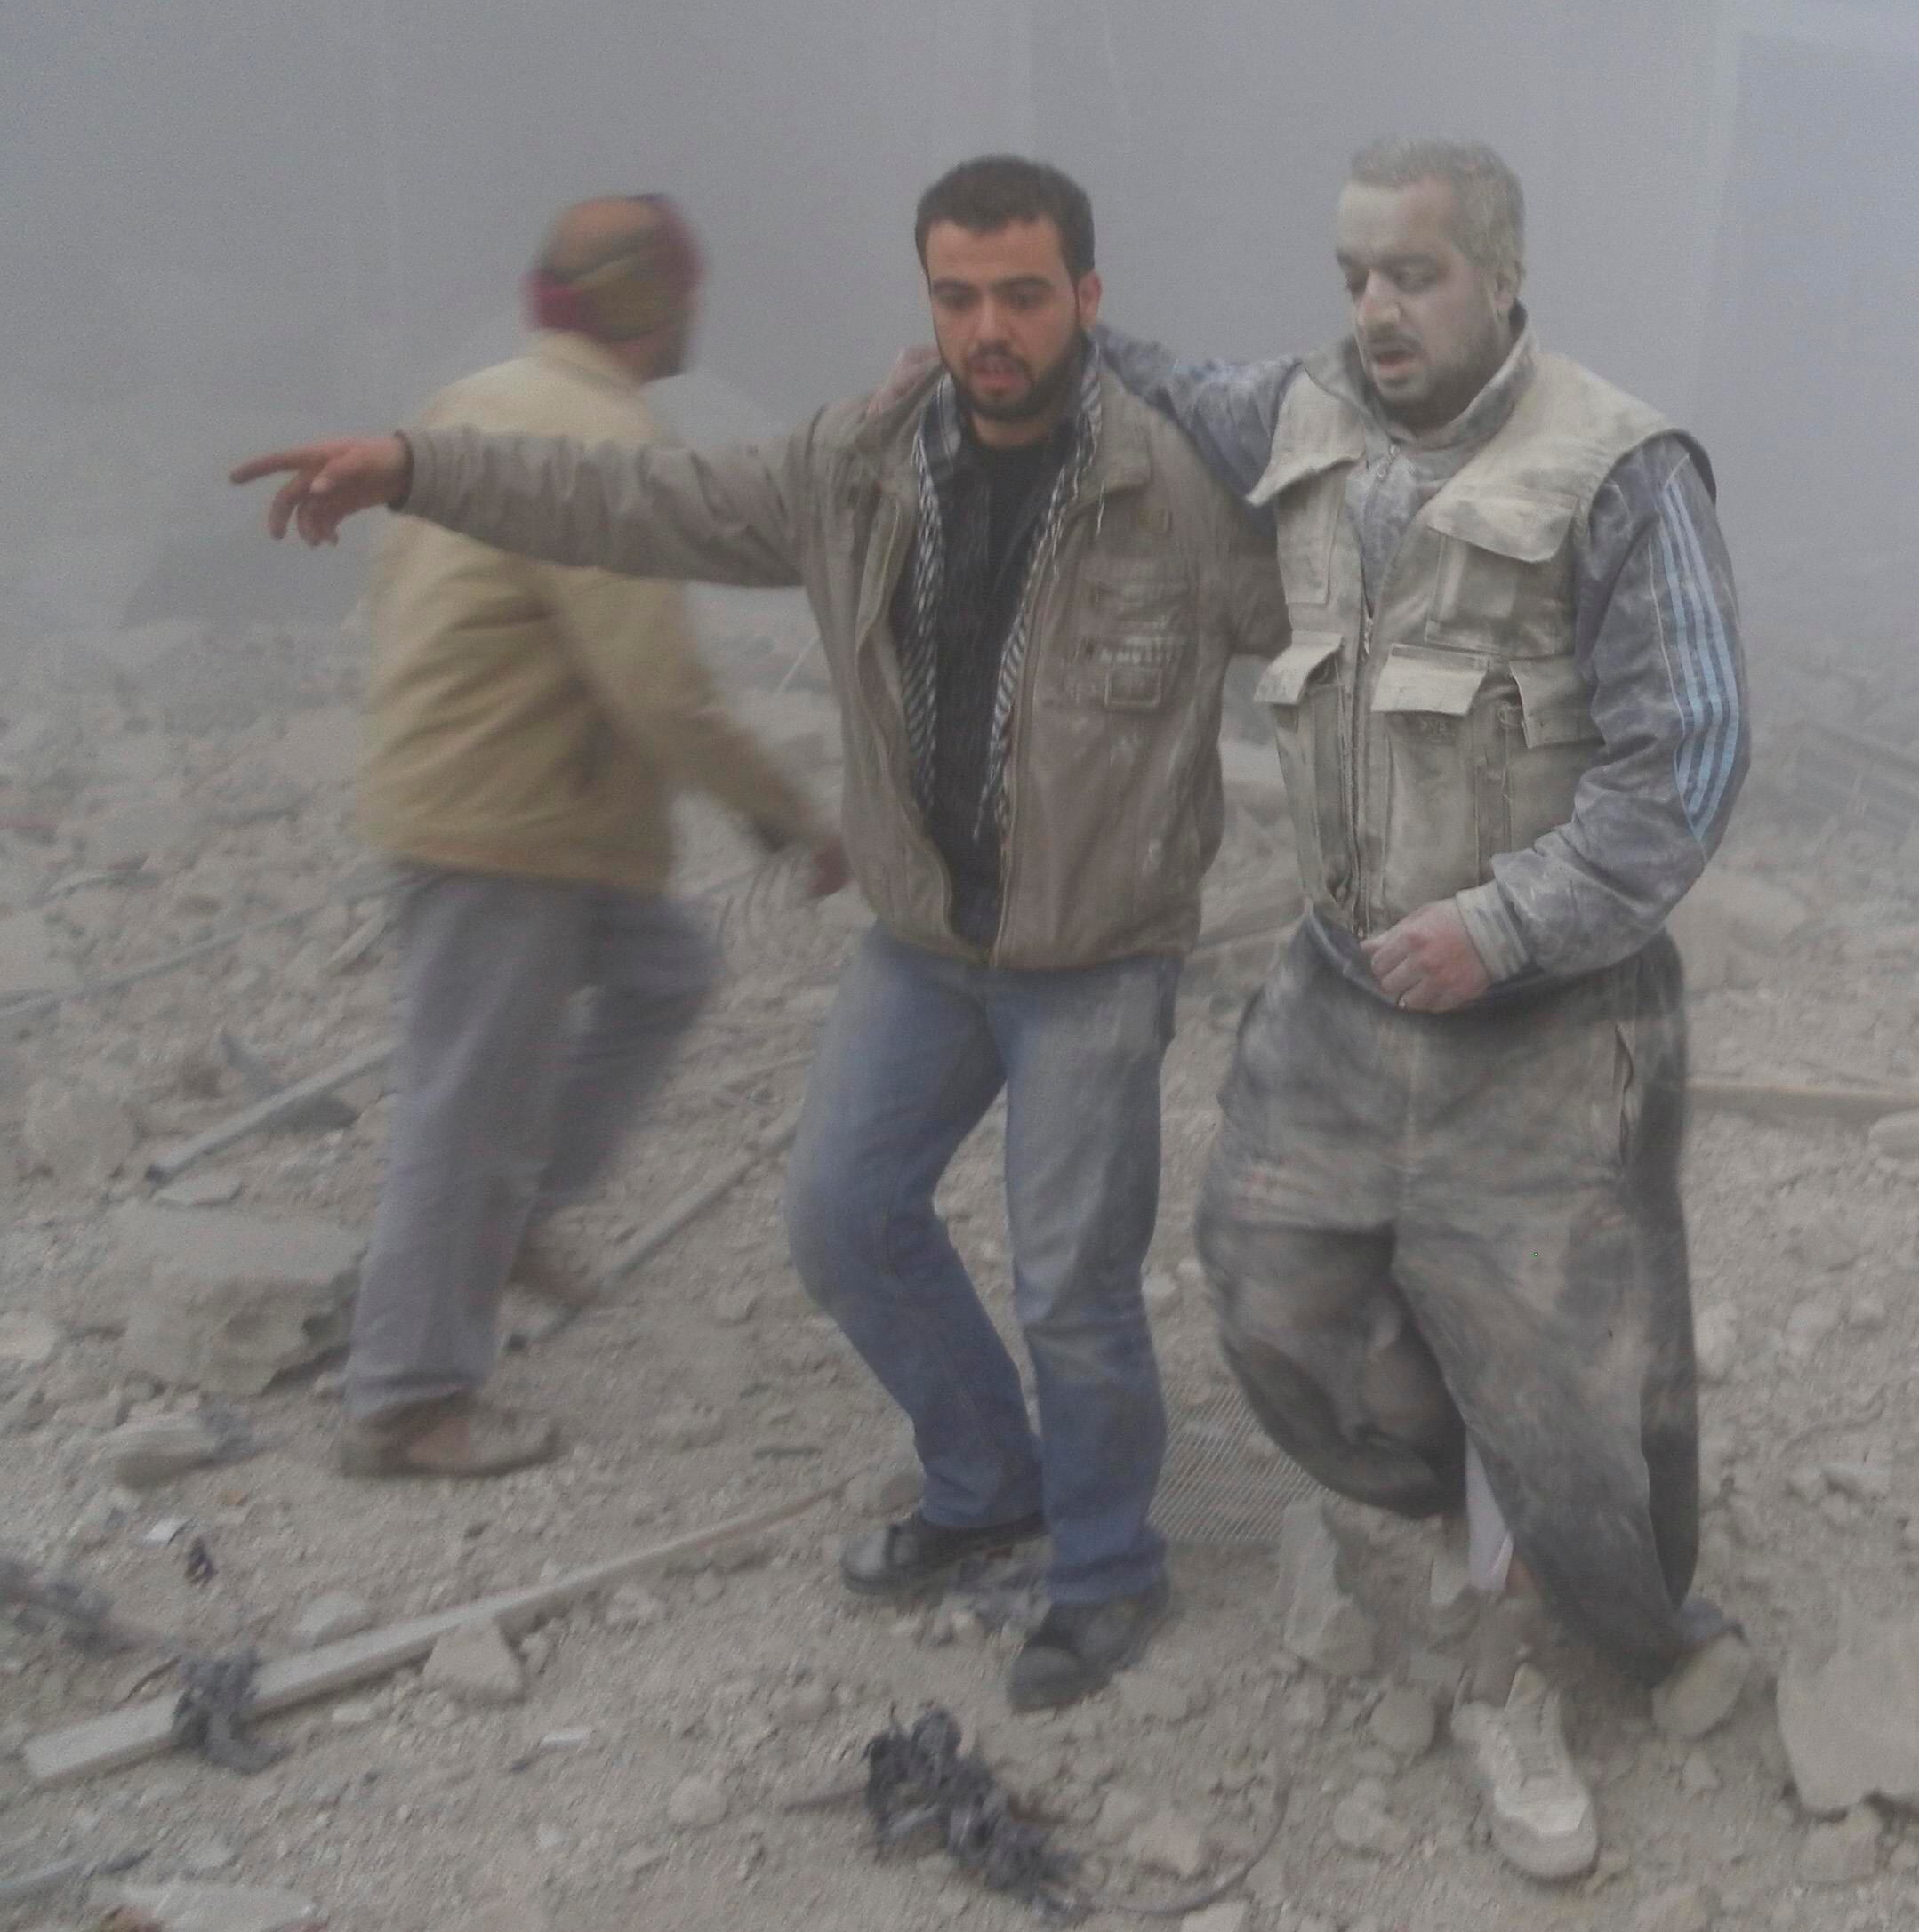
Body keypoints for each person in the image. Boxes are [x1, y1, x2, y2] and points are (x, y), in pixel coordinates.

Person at [235, 157, 1282, 1708]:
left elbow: (1344, 615)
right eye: (958, 296)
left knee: (1074, 1280)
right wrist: (410, 464)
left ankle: (1106, 1564)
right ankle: (984, 1480)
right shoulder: (855, 466)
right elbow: (626, 503)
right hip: (924, 944)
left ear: (1087, 301)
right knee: (842, 1223)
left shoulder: (1177, 494)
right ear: (926, 300)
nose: (990, 329)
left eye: (1023, 295)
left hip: (1095, 962)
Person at [1104, 137, 1750, 1885]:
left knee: (1576, 1412)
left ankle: (1564, 1637)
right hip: (1340, 994)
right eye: (1354, 276)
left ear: (1502, 276)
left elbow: (1683, 762)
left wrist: (1506, 923)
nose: (1375, 308)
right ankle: (1474, 1508)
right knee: (1266, 1296)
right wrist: (1050, 329)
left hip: (1544, 1022)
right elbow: (1164, 379)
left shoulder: (1616, 468)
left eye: (1413, 273)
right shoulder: (1307, 416)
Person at [333, 196, 834, 1481]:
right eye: (684, 294)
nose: (694, 315)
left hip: (527, 809)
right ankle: (407, 1394)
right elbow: (658, 686)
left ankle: (516, 1219)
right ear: (651, 305)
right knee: (463, 1100)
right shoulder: (607, 436)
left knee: (666, 971)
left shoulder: (475, 396)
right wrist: (787, 818)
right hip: (507, 824)